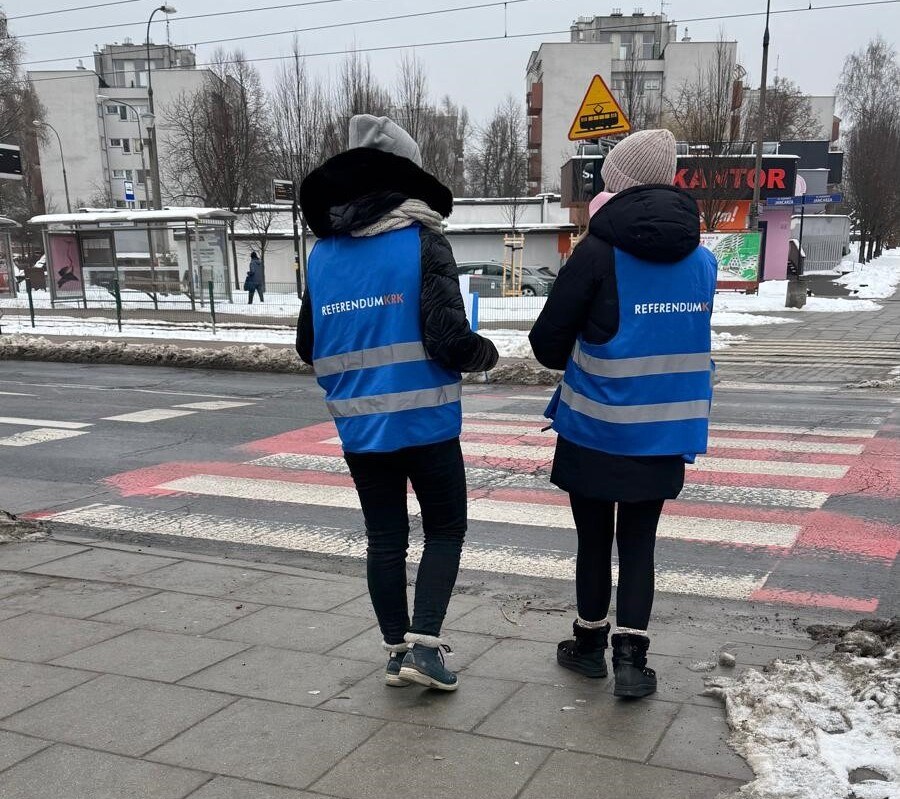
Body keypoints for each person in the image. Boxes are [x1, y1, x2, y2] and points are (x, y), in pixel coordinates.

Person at [296, 115, 498, 691]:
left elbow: (307, 345)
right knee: (445, 530)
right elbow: (449, 340)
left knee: (385, 538)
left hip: (360, 426)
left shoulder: (323, 255)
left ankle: (394, 652)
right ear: (405, 174)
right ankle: (424, 648)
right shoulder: (422, 239)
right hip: (426, 419)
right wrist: (486, 354)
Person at [529, 129, 716, 699]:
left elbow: (546, 344)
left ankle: (588, 648)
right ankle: (632, 663)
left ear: (618, 185)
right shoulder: (703, 262)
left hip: (596, 429)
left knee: (594, 540)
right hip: (663, 433)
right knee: (639, 543)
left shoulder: (595, 253)